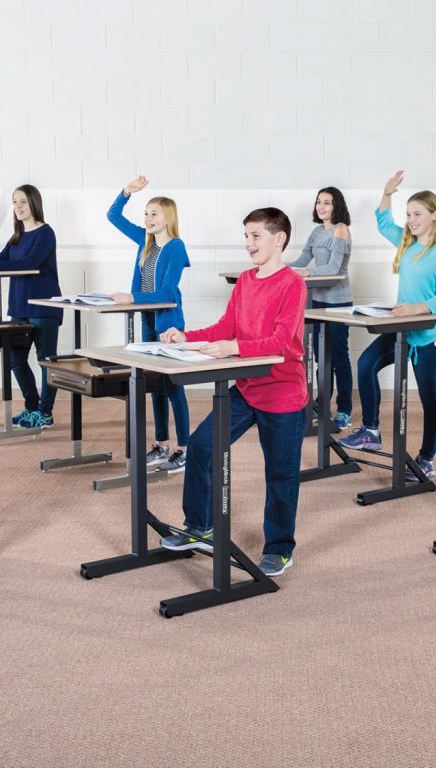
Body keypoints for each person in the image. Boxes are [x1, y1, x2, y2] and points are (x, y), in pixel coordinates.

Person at [157, 207, 307, 577]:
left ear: (279, 239)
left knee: (280, 474)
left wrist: (233, 347)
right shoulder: (245, 281)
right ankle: (199, 526)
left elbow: (282, 343)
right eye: (246, 236)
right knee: (203, 445)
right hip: (245, 386)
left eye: (256, 236)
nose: (248, 243)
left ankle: (279, 548)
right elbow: (226, 326)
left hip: (283, 393)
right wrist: (185, 337)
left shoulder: (292, 284)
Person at [339, 170, 436, 482]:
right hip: (400, 330)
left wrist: (418, 308)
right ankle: (371, 430)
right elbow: (384, 222)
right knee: (365, 364)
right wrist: (387, 193)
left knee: (430, 398)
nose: (411, 219)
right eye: (408, 214)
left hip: (429, 336)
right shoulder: (406, 242)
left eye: (417, 214)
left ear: (434, 215)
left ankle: (427, 459)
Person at [107, 176, 191, 472]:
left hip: (167, 322)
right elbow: (113, 216)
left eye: (154, 213)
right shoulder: (145, 242)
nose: (147, 218)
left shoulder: (176, 247)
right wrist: (126, 191)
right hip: (146, 319)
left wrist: (132, 296)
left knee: (171, 387)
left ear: (168, 217)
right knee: (154, 386)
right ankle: (161, 444)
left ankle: (184, 449)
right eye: (145, 213)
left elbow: (168, 292)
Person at [0, 185, 62, 429]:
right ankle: (32, 407)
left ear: (34, 203)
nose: (18, 207)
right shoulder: (17, 237)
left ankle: (45, 413)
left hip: (43, 306)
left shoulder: (45, 233)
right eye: (15, 202)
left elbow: (30, 262)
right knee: (16, 359)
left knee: (45, 361)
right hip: (18, 306)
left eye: (23, 202)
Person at [288, 186, 354, 429]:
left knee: (338, 358)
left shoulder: (341, 230)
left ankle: (344, 409)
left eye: (327, 202)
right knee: (319, 358)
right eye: (319, 202)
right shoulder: (317, 232)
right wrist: (279, 268)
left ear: (337, 205)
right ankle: (321, 405)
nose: (321, 207)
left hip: (338, 302)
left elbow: (334, 268)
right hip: (316, 302)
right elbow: (301, 261)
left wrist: (307, 272)